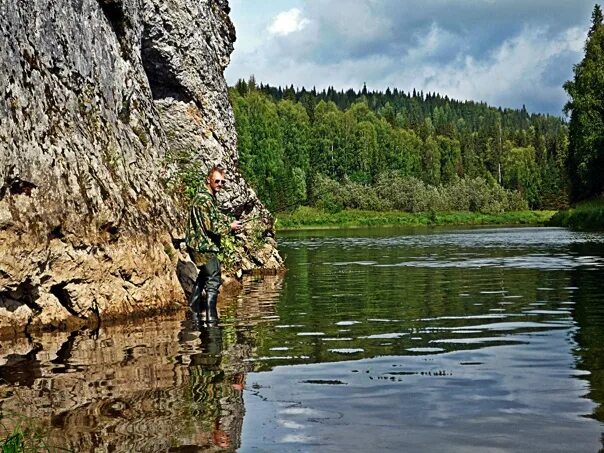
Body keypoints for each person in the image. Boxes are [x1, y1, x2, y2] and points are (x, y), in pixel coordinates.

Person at [186, 165, 241, 324]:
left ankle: (193, 310)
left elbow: (214, 218)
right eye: (217, 181)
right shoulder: (205, 200)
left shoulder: (204, 197)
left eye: (222, 182)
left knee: (204, 275)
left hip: (198, 245)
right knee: (214, 278)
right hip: (203, 246)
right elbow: (211, 226)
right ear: (208, 180)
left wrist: (231, 223)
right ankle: (212, 324)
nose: (220, 184)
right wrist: (230, 227)